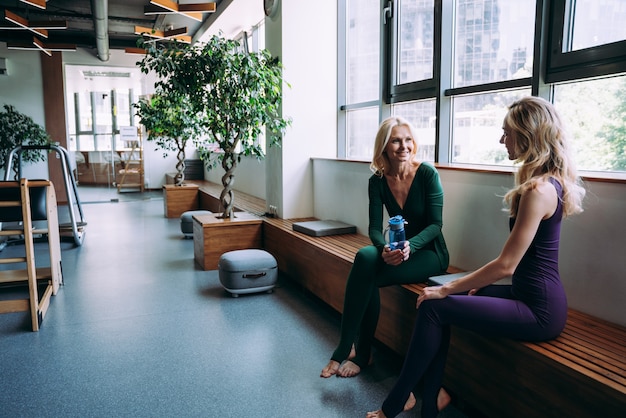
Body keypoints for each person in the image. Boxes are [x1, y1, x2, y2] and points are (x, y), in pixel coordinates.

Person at [366, 96, 586, 418]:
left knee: (434, 305)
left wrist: (446, 289)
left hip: (539, 309)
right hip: (528, 294)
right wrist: (467, 287)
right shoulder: (545, 183)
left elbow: (506, 264)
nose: (502, 140)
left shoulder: (538, 191)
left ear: (528, 135)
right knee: (443, 304)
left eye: (506, 132)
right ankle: (431, 402)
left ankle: (395, 404)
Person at [320, 116, 449, 379]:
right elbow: (375, 229)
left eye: (408, 139)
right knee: (365, 255)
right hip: (395, 250)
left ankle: (354, 351)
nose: (404, 146)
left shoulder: (426, 173)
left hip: (429, 253)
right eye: (396, 141)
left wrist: (410, 246)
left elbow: (436, 225)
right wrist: (383, 249)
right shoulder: (377, 180)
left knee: (366, 276)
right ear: (384, 147)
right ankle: (352, 348)